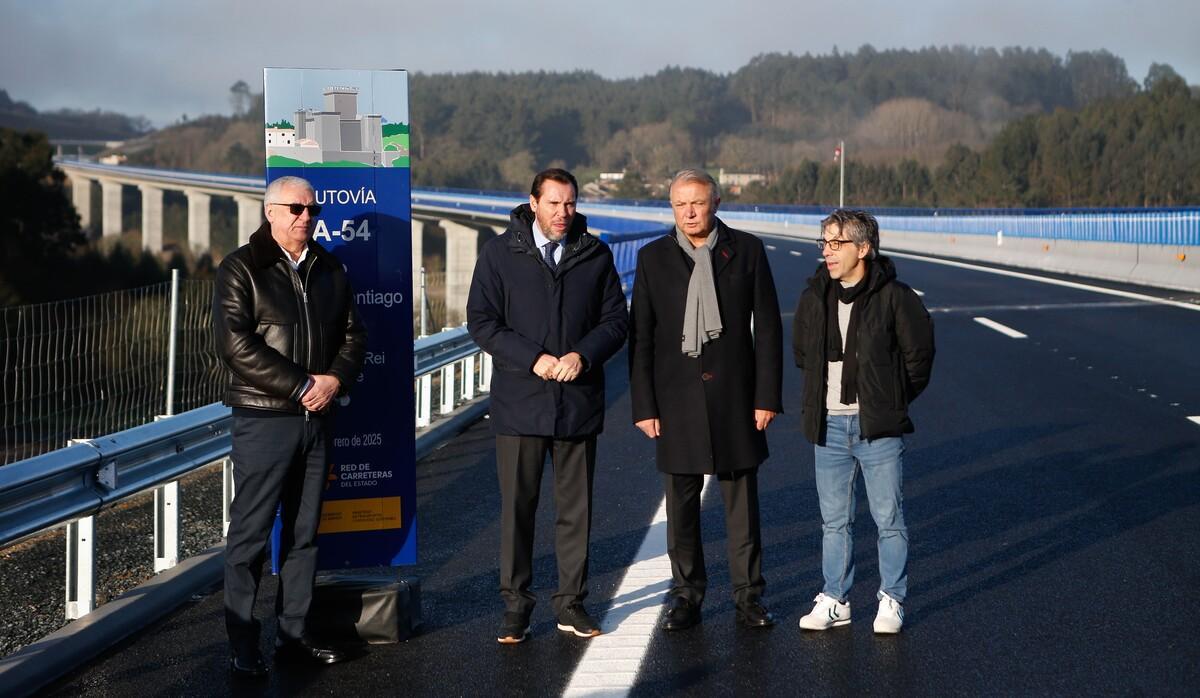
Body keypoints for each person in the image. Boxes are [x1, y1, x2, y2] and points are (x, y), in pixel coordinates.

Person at [213, 175, 367, 676]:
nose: (307, 217)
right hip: (265, 419)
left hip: (317, 419)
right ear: (271, 212)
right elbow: (237, 346)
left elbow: (353, 335)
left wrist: (333, 381)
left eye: (313, 209)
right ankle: (242, 642)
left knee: (304, 535)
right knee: (251, 537)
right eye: (296, 209)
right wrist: (303, 385)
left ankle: (294, 634)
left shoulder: (330, 267)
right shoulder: (242, 267)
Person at [467, 168, 628, 644]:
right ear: (533, 202)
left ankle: (571, 604)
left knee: (575, 511)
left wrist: (583, 354)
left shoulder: (594, 254)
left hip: (576, 400)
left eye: (571, 204)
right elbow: (482, 321)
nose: (563, 213)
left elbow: (616, 320)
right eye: (554, 203)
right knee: (519, 509)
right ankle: (516, 606)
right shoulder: (500, 253)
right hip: (521, 400)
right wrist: (533, 359)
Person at [629, 168, 783, 631]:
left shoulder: (747, 250)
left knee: (742, 505)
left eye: (697, 202)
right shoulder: (653, 258)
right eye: (680, 204)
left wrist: (766, 397)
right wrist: (644, 406)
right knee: (681, 505)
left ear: (715, 202)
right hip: (675, 399)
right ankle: (686, 595)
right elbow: (642, 338)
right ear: (671, 206)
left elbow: (770, 330)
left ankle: (748, 596)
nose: (690, 212)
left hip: (736, 397)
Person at [792, 209, 934, 634]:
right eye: (824, 243)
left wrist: (890, 401)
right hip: (829, 424)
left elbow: (918, 358)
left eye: (837, 244)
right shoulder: (815, 295)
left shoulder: (896, 297)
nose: (828, 252)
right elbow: (803, 352)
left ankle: (892, 599)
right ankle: (835, 598)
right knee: (834, 521)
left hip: (877, 427)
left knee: (888, 519)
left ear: (864, 248)